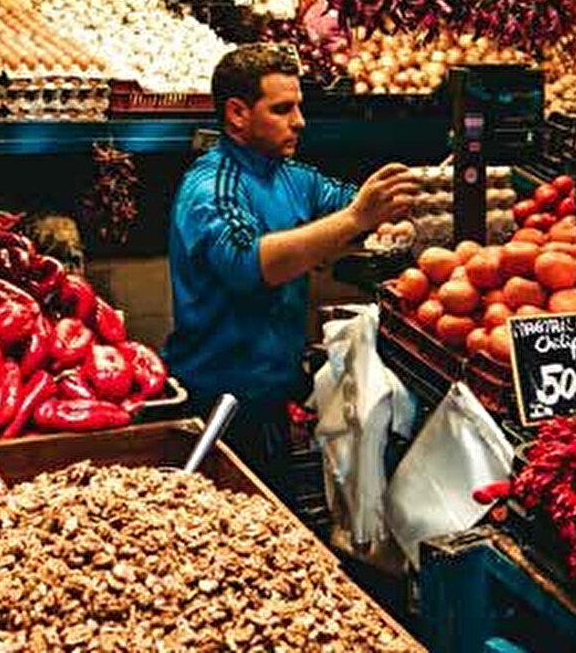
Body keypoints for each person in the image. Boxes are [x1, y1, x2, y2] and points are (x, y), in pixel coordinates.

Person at [164, 43, 419, 487]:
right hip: (217, 403)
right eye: (282, 109)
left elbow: (351, 207)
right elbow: (249, 265)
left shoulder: (292, 177)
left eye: (298, 107)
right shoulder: (211, 186)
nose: (299, 122)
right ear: (237, 114)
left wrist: (403, 202)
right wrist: (357, 218)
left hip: (271, 395)